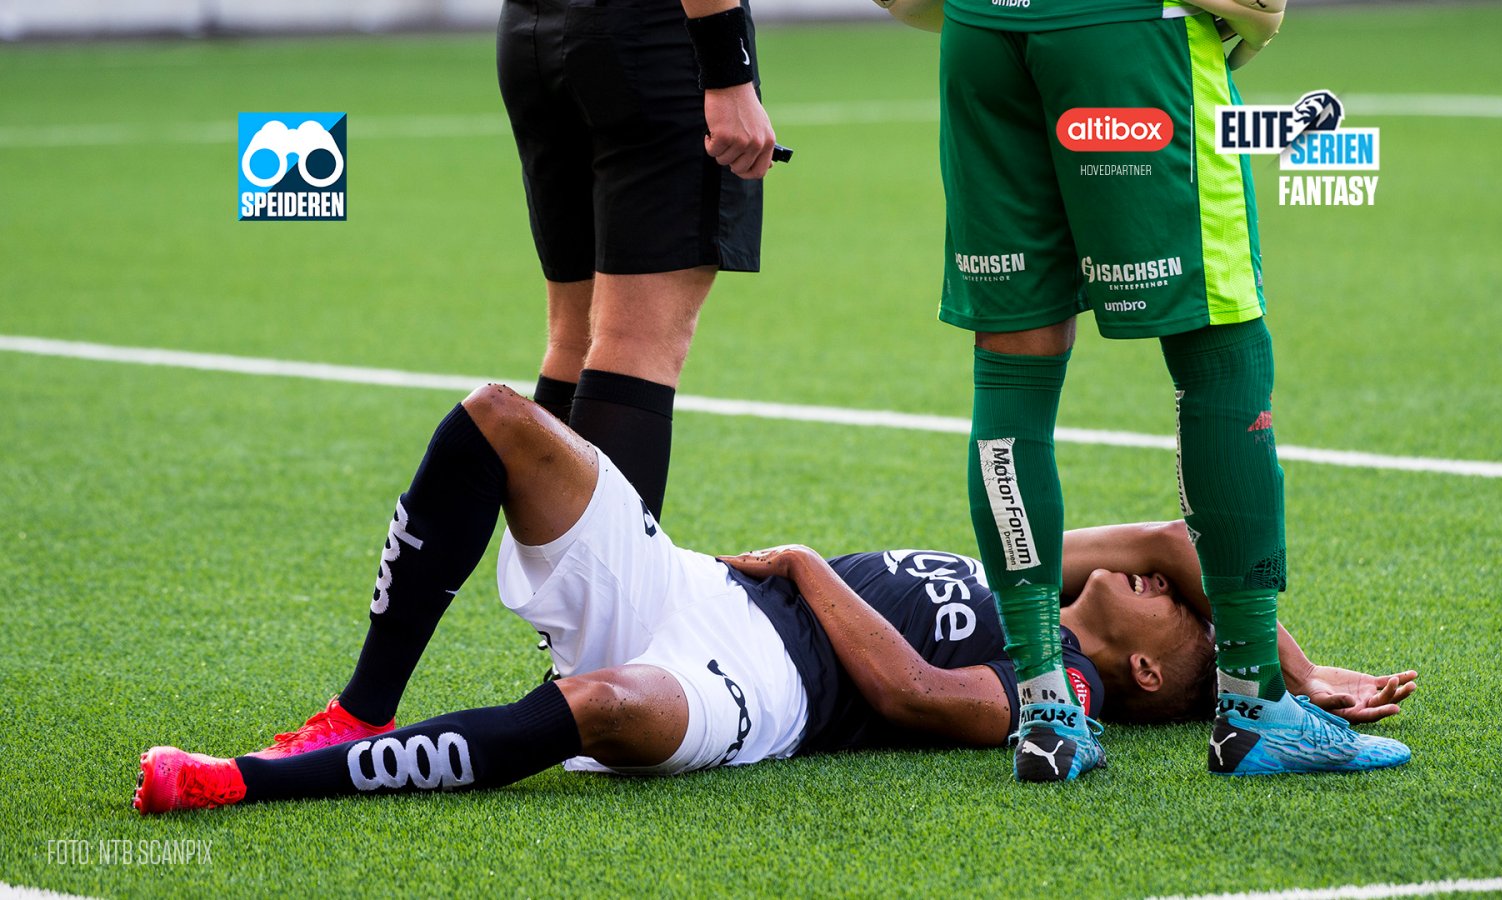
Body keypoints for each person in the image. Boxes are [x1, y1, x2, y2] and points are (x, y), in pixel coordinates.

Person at [132, 386, 1413, 814]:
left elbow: (919, 696)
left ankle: (248, 784)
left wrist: (805, 568)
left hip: (763, 689)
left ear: (1141, 673)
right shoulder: (1049, 588)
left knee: (609, 708)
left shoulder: (1060, 687)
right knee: (498, 421)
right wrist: (1294, 671)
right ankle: (357, 711)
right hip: (696, 582)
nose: (1151, 584)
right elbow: (1184, 540)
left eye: (1170, 615)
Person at [933, 0, 1397, 780]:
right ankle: (1253, 702)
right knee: (1221, 350)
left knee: (1013, 370)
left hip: (981, 30)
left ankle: (1046, 713)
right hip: (1130, 29)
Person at [495, 0, 777, 523]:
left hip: (532, 33)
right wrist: (728, 68)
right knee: (635, 343)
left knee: (573, 341)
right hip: (650, 41)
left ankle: (548, 578)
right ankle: (604, 579)